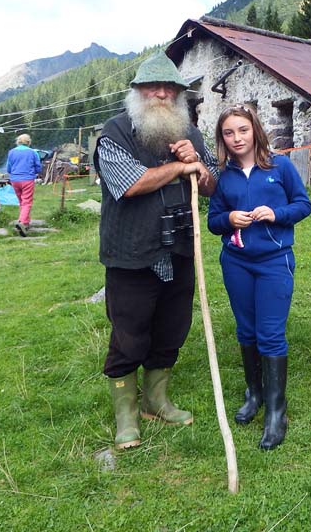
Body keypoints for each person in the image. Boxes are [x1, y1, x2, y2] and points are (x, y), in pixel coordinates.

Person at [93, 50, 218, 450]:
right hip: (132, 252)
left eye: (170, 88)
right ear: (138, 91)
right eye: (153, 87)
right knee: (129, 333)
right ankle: (126, 416)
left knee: (171, 328)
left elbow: (213, 184)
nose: (162, 94)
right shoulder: (114, 133)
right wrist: (178, 170)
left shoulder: (190, 132)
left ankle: (156, 401)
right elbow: (130, 185)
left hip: (180, 247)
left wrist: (197, 162)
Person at [207, 104, 311, 450]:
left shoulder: (279, 166)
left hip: (274, 262)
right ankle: (254, 394)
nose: (237, 138)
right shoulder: (225, 175)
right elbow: (213, 221)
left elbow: (303, 205)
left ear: (255, 131)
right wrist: (229, 219)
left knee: (270, 333)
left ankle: (276, 411)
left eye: (242, 130)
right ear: (222, 138)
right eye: (228, 133)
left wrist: (276, 213)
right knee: (246, 331)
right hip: (236, 263)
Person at [6, 135, 42, 236]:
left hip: (15, 180)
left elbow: (8, 167)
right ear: (28, 142)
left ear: (18, 142)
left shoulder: (11, 152)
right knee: (27, 202)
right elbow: (38, 167)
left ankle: (25, 223)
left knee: (21, 201)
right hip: (27, 179)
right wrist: (35, 172)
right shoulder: (33, 152)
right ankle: (21, 222)